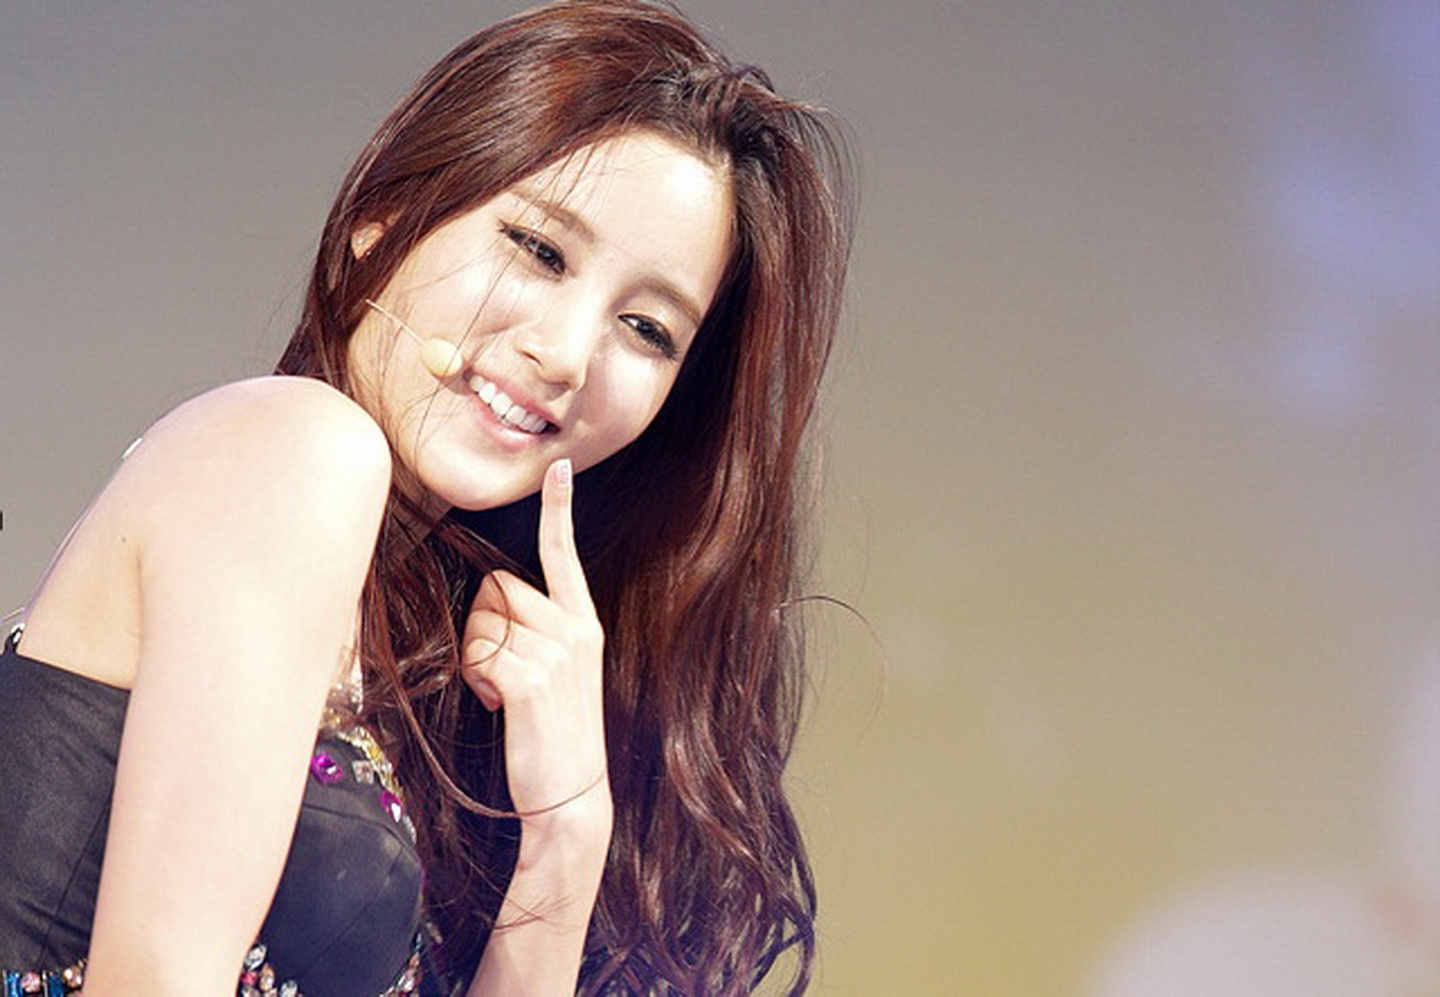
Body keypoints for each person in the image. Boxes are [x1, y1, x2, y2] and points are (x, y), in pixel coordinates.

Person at [0, 0, 851, 993]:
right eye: (539, 250)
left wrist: (568, 831)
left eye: (647, 329)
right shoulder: (296, 450)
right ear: (382, 223)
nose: (566, 355)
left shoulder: (423, 669)